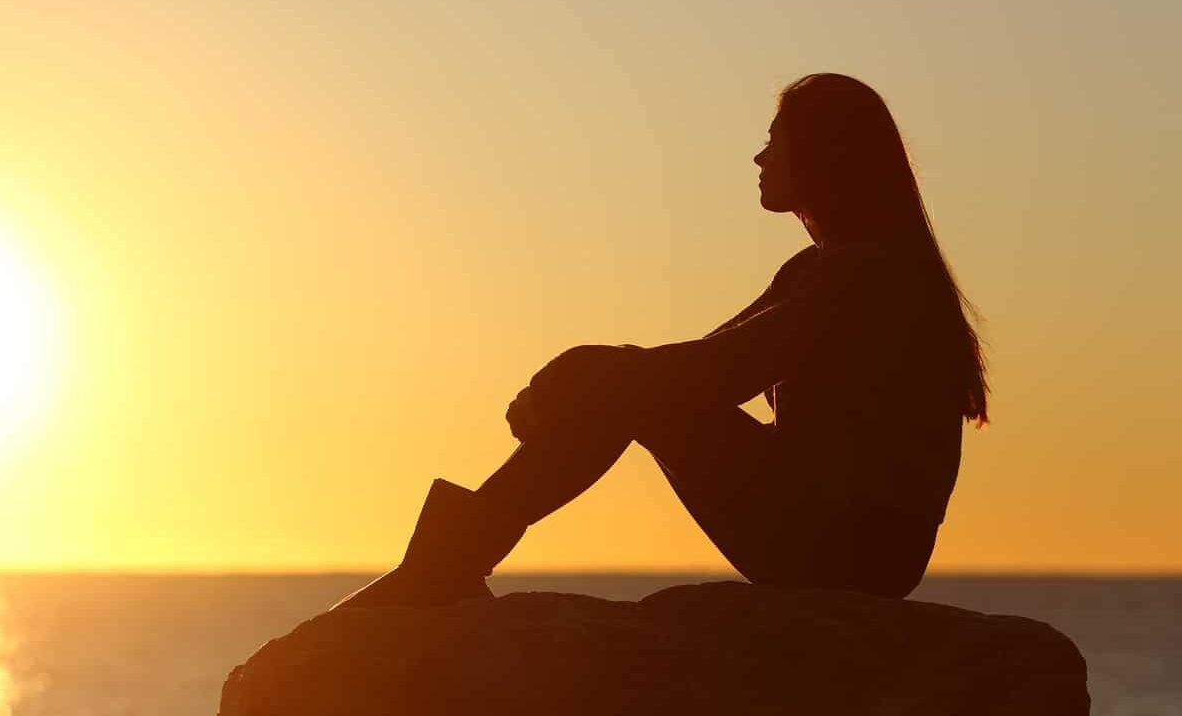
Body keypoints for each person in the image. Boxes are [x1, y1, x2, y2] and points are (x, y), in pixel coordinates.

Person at [333, 73, 988, 609]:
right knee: (629, 388)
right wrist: (595, 381)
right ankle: (448, 558)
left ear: (822, 154)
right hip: (852, 545)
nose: (760, 158)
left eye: (773, 141)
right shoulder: (839, 269)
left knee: (631, 389)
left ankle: (443, 562)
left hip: (844, 548)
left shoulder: (860, 275)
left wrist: (584, 376)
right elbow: (699, 363)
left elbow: (705, 377)